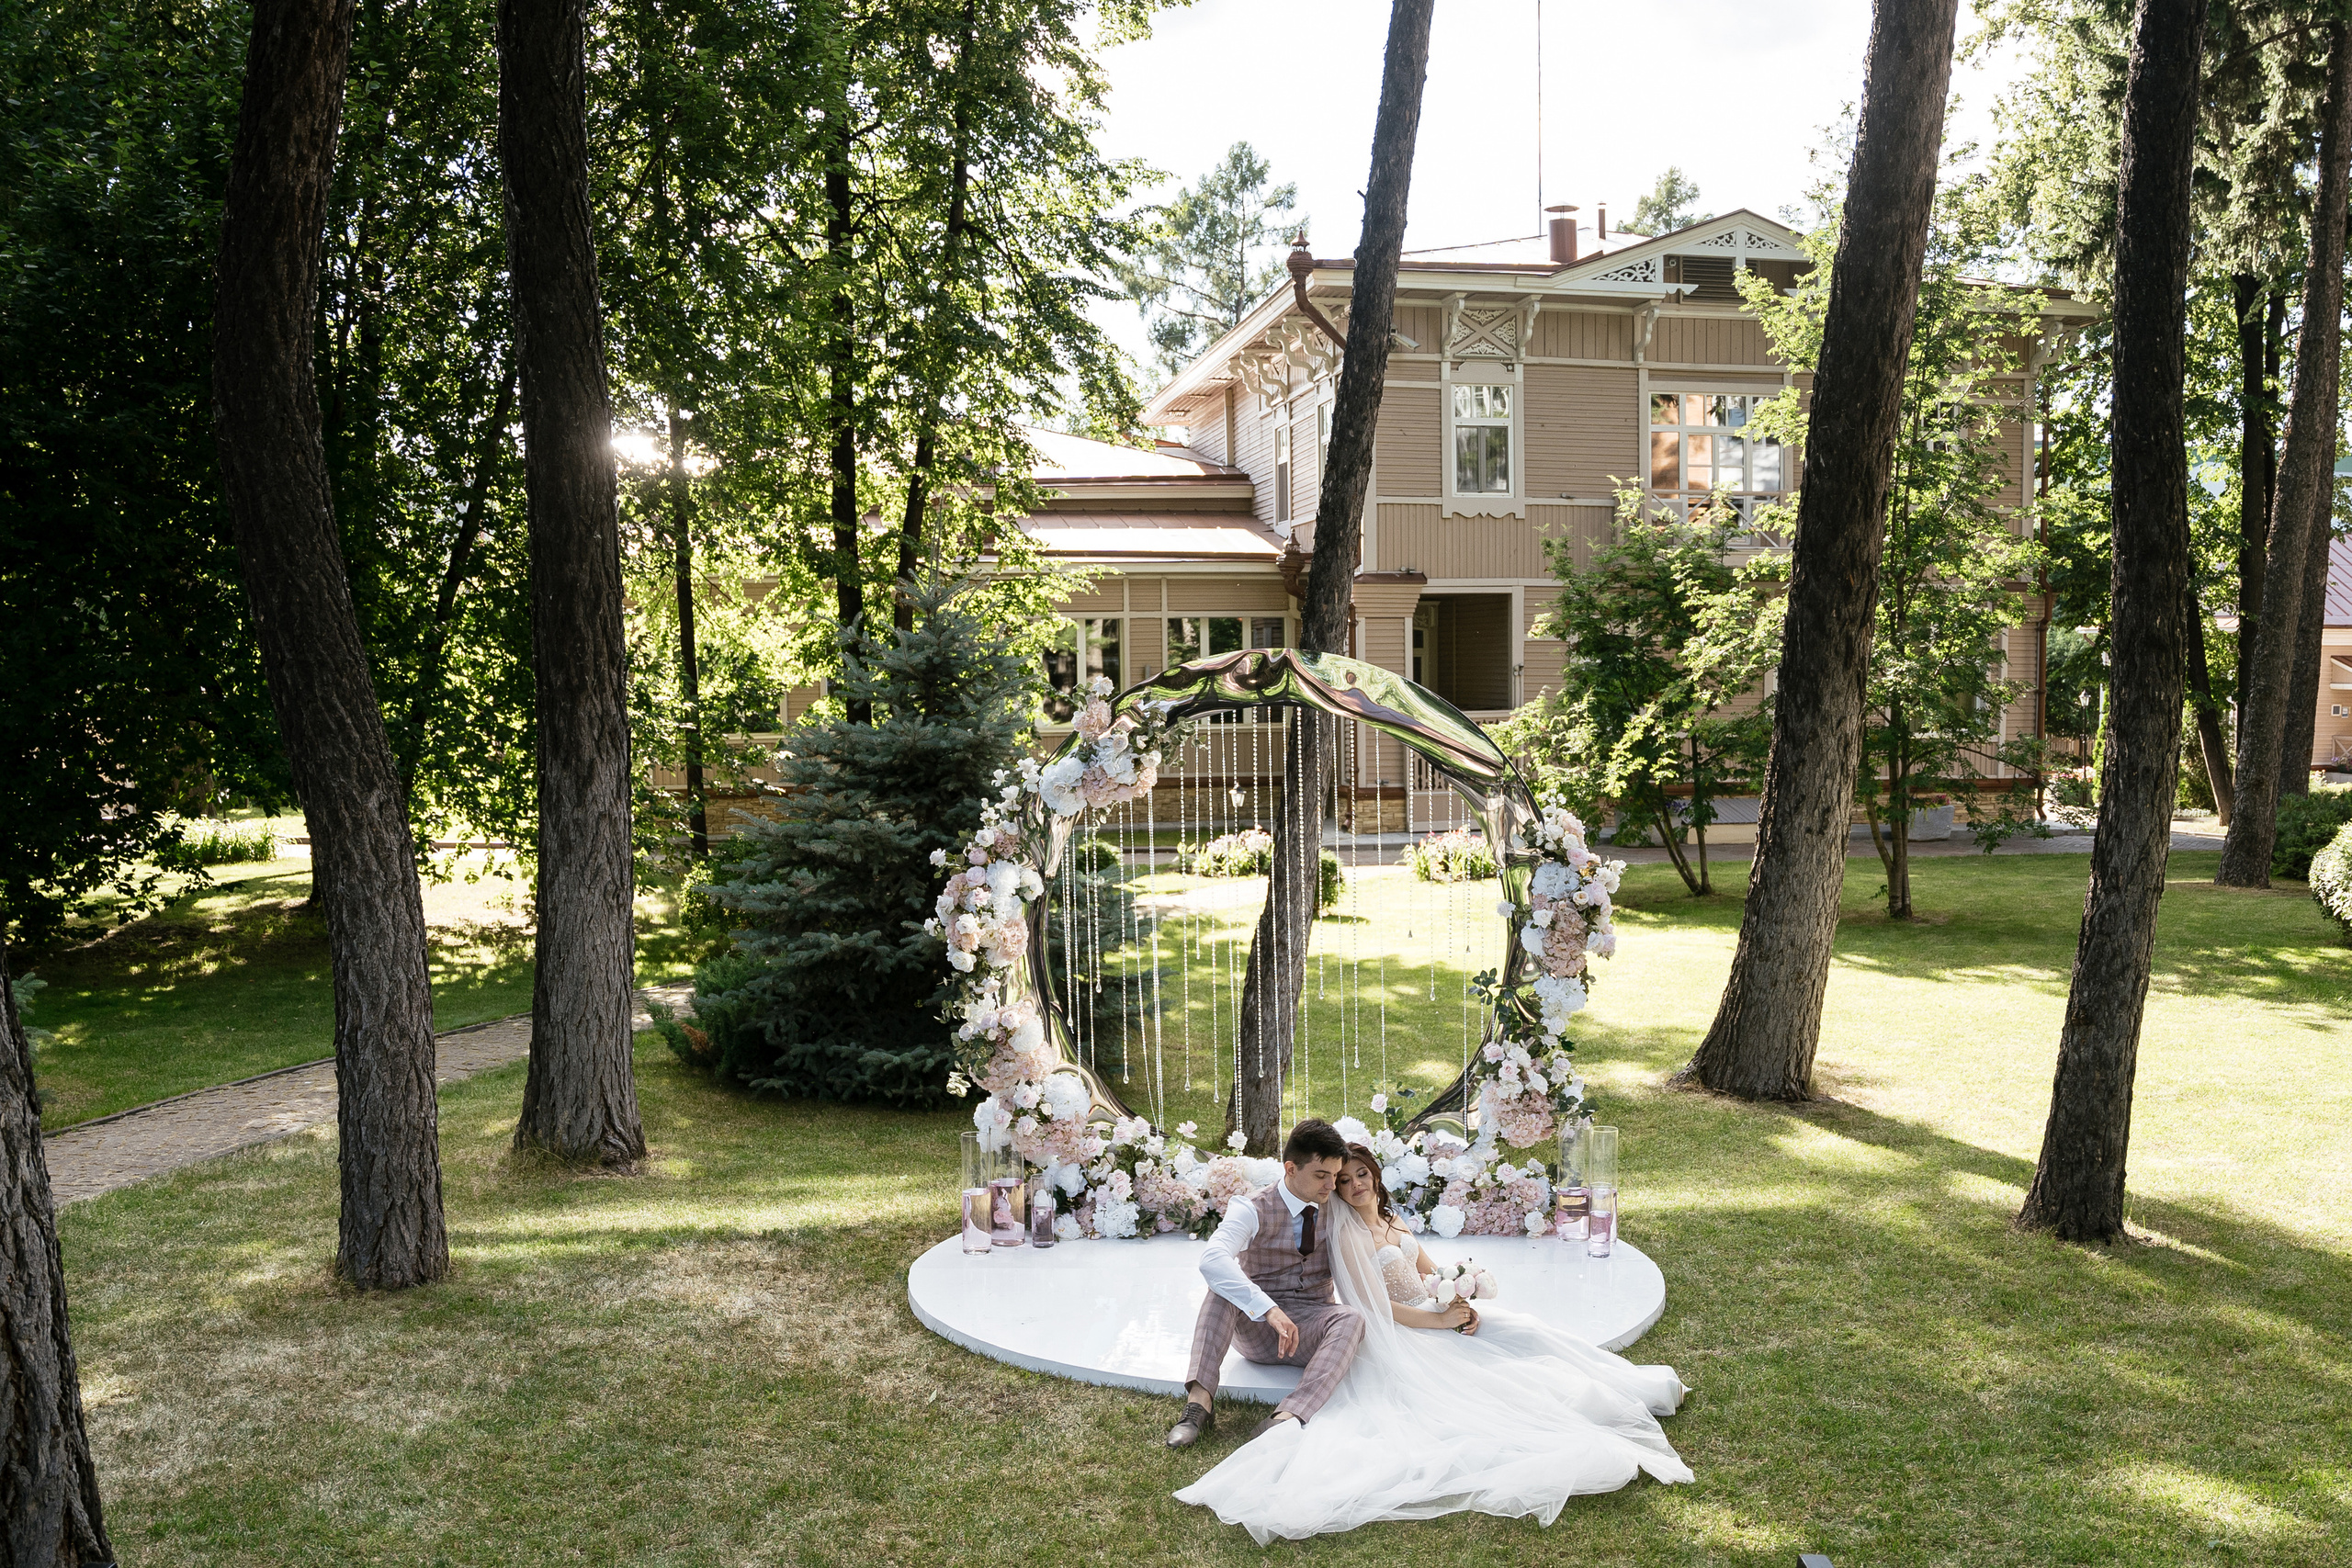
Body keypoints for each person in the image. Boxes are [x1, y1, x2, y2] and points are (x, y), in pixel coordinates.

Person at [1173, 1142, 1690, 1542]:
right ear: (1302, 1173)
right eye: (1338, 1178)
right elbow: (1374, 1307)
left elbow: (1425, 1273)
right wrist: (1439, 1323)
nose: (1349, 1185)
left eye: (1358, 1175)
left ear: (1375, 1175)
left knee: (1521, 1332)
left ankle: (1616, 1385)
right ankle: (1202, 1404)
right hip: (1393, 1327)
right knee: (1224, 1287)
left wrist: (1459, 1289)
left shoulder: (1392, 1220)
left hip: (1407, 1311)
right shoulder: (1339, 1228)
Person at [1165, 1119, 1363, 1450]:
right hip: (1258, 1330)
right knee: (1222, 1286)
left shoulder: (1336, 1206)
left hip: (1311, 1329)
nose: (1331, 1185)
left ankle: (1289, 1415)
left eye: (1334, 1175)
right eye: (1320, 1175)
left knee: (1352, 1318)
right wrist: (1269, 1309)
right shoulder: (1252, 1207)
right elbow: (1212, 1258)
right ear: (1290, 1168)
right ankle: (1199, 1405)